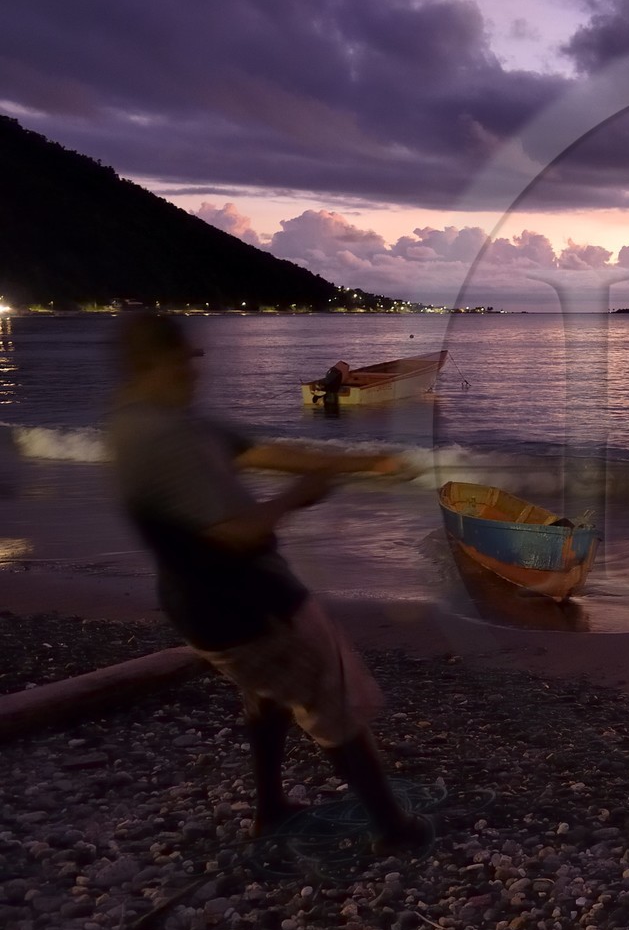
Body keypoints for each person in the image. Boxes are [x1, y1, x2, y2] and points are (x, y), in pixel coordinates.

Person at [106, 314, 429, 851]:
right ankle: (394, 830)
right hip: (246, 602)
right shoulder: (157, 437)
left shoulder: (170, 422)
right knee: (333, 702)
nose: (196, 367)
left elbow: (258, 452)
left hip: (212, 604)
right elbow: (232, 535)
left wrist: (365, 462)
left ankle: (270, 809)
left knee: (268, 694)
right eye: (186, 357)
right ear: (155, 361)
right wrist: (296, 498)